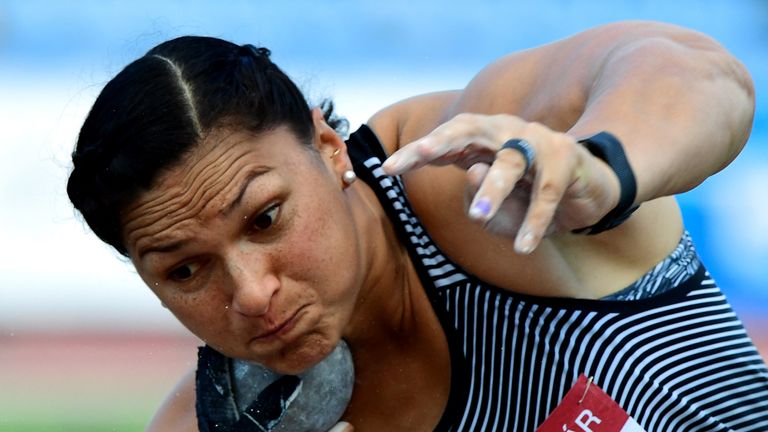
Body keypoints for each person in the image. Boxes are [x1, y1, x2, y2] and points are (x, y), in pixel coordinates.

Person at [66, 20, 768, 431]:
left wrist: (601, 169)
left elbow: (704, 74)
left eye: (267, 218)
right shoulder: (231, 418)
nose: (250, 294)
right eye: (185, 271)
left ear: (330, 148)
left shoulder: (465, 178)